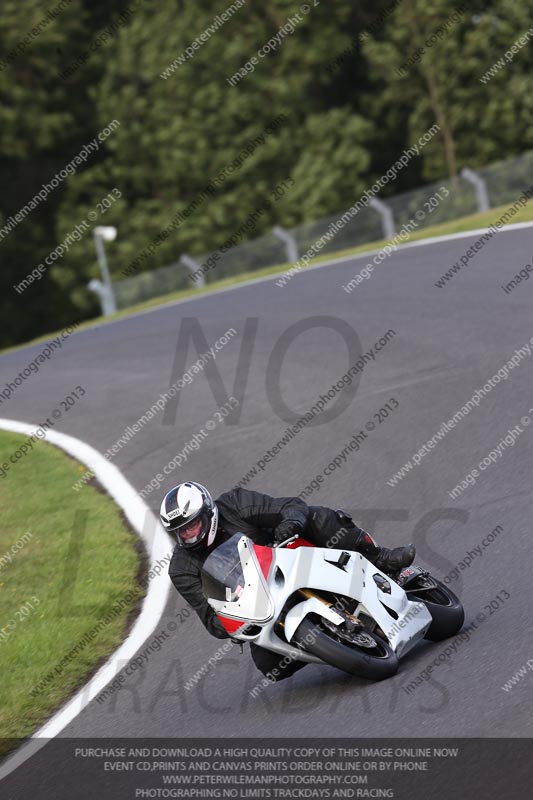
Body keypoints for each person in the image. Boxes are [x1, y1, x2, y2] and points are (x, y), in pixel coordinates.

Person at [162, 481, 415, 682]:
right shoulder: (181, 569)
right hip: (260, 607)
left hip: (289, 560)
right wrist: (231, 619)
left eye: (193, 524)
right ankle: (332, 644)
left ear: (208, 513)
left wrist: (291, 522)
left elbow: (290, 506)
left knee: (317, 517)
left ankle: (381, 558)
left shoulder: (234, 504)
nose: (189, 534)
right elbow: (209, 618)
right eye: (181, 530)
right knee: (271, 668)